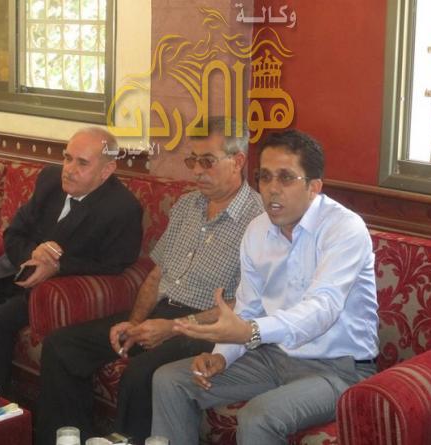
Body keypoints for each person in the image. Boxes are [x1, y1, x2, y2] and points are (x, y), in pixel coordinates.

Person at [35, 117, 264, 445]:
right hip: (162, 312)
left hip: (207, 329)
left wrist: (174, 327)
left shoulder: (258, 221)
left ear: (238, 161)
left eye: (207, 161)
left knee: (141, 373)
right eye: (193, 160)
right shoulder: (187, 205)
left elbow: (243, 304)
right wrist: (135, 322)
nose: (197, 171)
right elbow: (156, 275)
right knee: (62, 346)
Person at [151, 130, 380, 445]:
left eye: (285, 178)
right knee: (170, 380)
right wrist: (222, 356)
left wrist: (252, 331)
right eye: (265, 177)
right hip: (273, 357)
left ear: (314, 187)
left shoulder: (343, 228)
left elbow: (322, 308)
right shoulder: (257, 230)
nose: (272, 189)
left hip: (338, 369)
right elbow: (248, 307)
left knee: (258, 417)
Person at [0, 127, 143, 395]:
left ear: (107, 170)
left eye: (82, 163)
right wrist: (34, 254)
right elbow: (14, 233)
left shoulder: (123, 208)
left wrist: (58, 265)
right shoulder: (50, 179)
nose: (69, 169)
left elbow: (114, 266)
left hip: (52, 290)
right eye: (67, 158)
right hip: (13, 269)